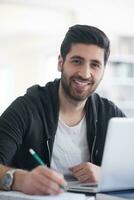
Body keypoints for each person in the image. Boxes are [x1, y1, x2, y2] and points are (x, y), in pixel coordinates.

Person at [0, 24, 126, 195]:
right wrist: (21, 180)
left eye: (95, 64)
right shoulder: (26, 108)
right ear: (61, 63)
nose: (84, 73)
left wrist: (106, 174)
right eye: (77, 61)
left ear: (103, 70)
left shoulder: (111, 115)